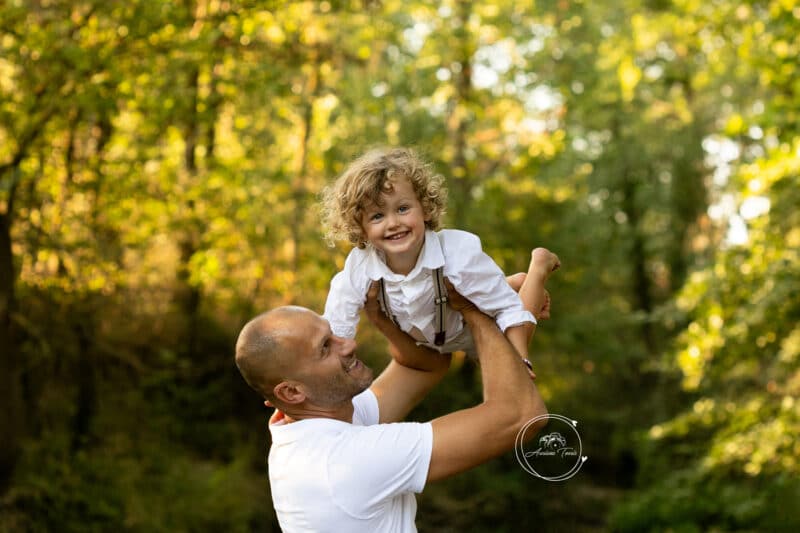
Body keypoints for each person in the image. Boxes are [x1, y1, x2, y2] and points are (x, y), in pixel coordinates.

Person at [234, 250, 557, 532]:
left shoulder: (314, 421)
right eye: (325, 347)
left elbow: (423, 366)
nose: (349, 344)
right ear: (291, 392)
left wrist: (382, 319)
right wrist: (475, 310)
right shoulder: (342, 462)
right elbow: (521, 415)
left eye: (334, 333)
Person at [320, 147, 558, 376]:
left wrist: (521, 360)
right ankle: (506, 282)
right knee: (482, 302)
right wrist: (323, 380)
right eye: (377, 216)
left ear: (424, 208)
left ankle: (538, 267)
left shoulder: (457, 255)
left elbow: (507, 308)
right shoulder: (360, 267)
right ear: (360, 228)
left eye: (403, 209)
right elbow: (338, 327)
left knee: (504, 364)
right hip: (432, 340)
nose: (393, 223)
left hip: (469, 330)